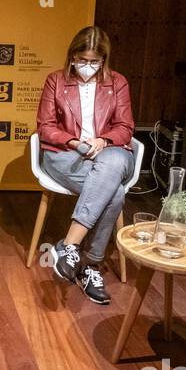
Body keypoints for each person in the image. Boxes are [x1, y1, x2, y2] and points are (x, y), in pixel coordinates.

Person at [35, 26, 136, 305]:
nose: (87, 66)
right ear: (72, 56)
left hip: (110, 153)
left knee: (112, 162)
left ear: (104, 60)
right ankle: (90, 266)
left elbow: (126, 127)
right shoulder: (56, 81)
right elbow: (45, 127)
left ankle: (69, 246)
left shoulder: (118, 82)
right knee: (114, 193)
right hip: (67, 155)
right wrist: (75, 143)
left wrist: (103, 140)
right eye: (82, 60)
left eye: (94, 61)